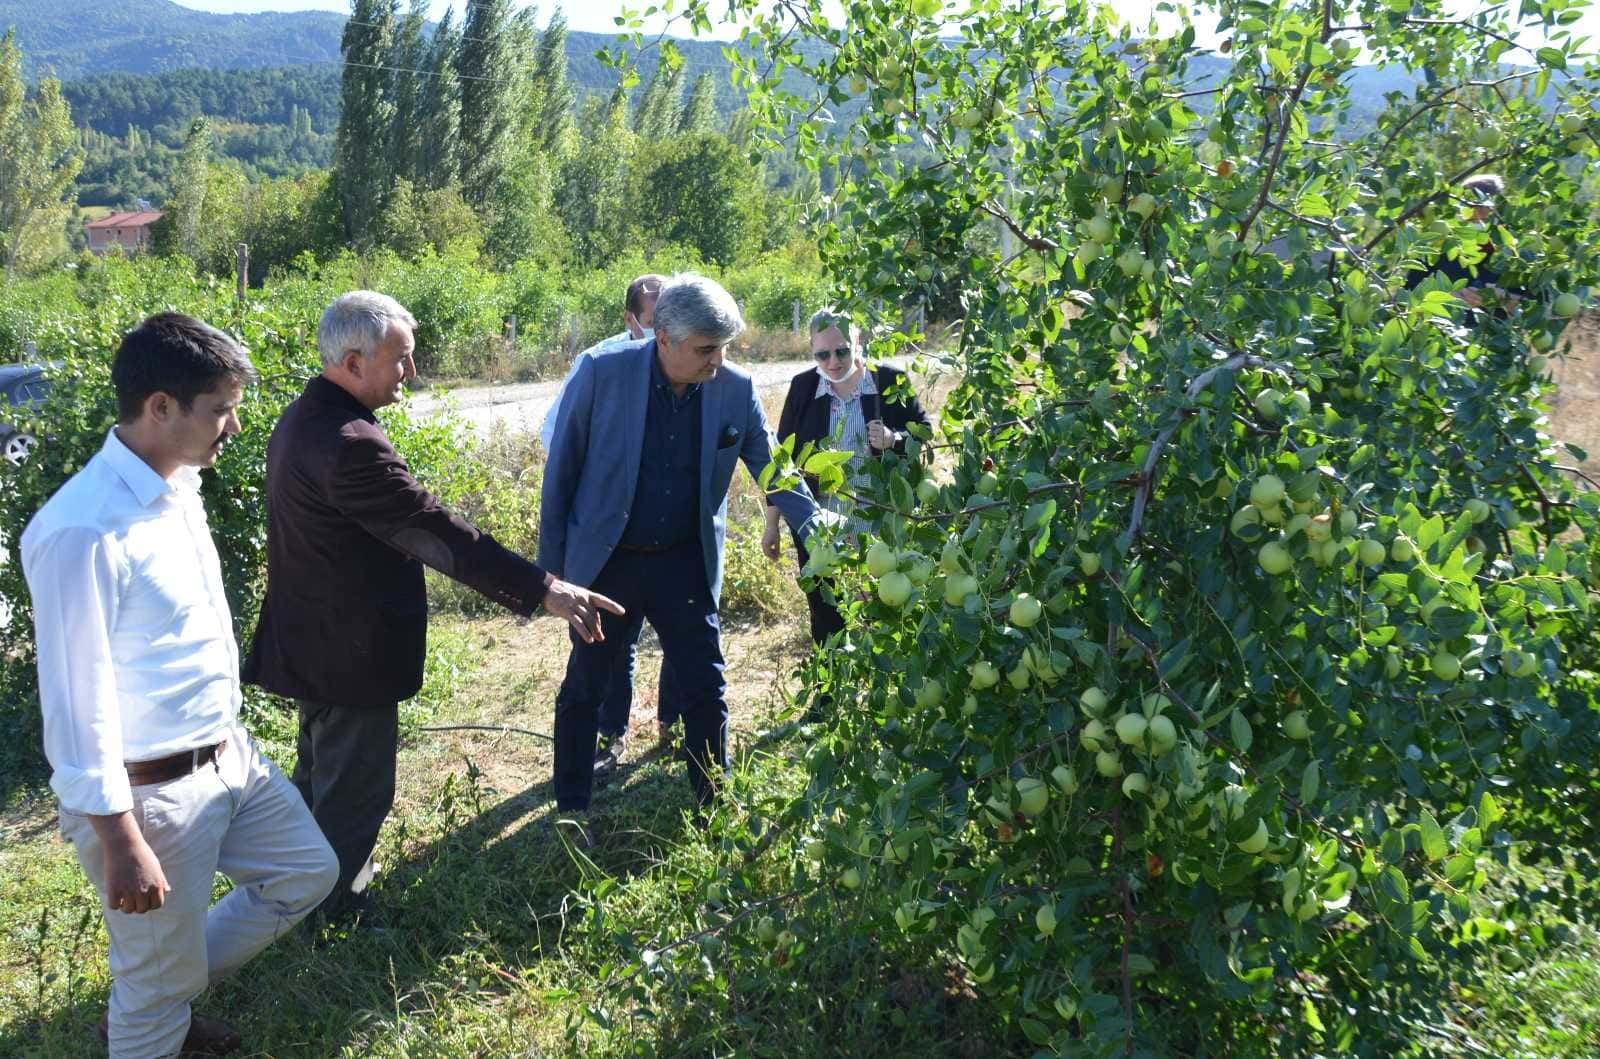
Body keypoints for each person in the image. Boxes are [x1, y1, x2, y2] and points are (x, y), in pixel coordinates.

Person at [243, 291, 621, 918]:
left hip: (315, 641)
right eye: (401, 360)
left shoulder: (306, 416)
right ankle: (331, 923)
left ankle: (295, 901)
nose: (410, 374)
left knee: (318, 784)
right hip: (348, 654)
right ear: (356, 361)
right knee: (351, 797)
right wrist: (543, 589)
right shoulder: (347, 441)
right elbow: (436, 530)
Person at [21, 313, 339, 1058]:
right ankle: (155, 1004)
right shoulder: (82, 530)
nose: (233, 424)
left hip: (229, 758)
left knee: (306, 871)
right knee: (150, 994)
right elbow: (77, 700)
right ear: (160, 407)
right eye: (220, 408)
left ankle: (166, 982)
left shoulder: (178, 482)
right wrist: (118, 833)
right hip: (150, 794)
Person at [539, 273, 829, 827]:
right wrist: (553, 577)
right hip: (610, 561)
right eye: (705, 349)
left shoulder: (734, 389)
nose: (716, 360)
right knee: (587, 683)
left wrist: (818, 532)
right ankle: (573, 809)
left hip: (683, 560)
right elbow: (562, 472)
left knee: (705, 684)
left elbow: (774, 470)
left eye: (723, 348)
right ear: (663, 339)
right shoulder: (603, 375)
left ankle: (713, 805)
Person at [541, 274, 681, 774]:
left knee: (683, 640)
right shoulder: (600, 365)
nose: (669, 332)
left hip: (669, 541)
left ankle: (675, 725)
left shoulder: (691, 366)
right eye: (655, 321)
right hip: (609, 541)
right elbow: (555, 434)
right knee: (611, 644)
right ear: (630, 322)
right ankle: (610, 735)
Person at [765, 308, 931, 645]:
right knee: (828, 617)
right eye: (822, 354)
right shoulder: (803, 388)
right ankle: (832, 692)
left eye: (842, 350)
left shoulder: (888, 381)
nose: (833, 362)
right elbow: (783, 459)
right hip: (821, 527)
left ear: (857, 341)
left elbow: (925, 439)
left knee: (886, 614)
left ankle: (884, 689)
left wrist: (893, 439)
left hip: (881, 523)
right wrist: (772, 523)